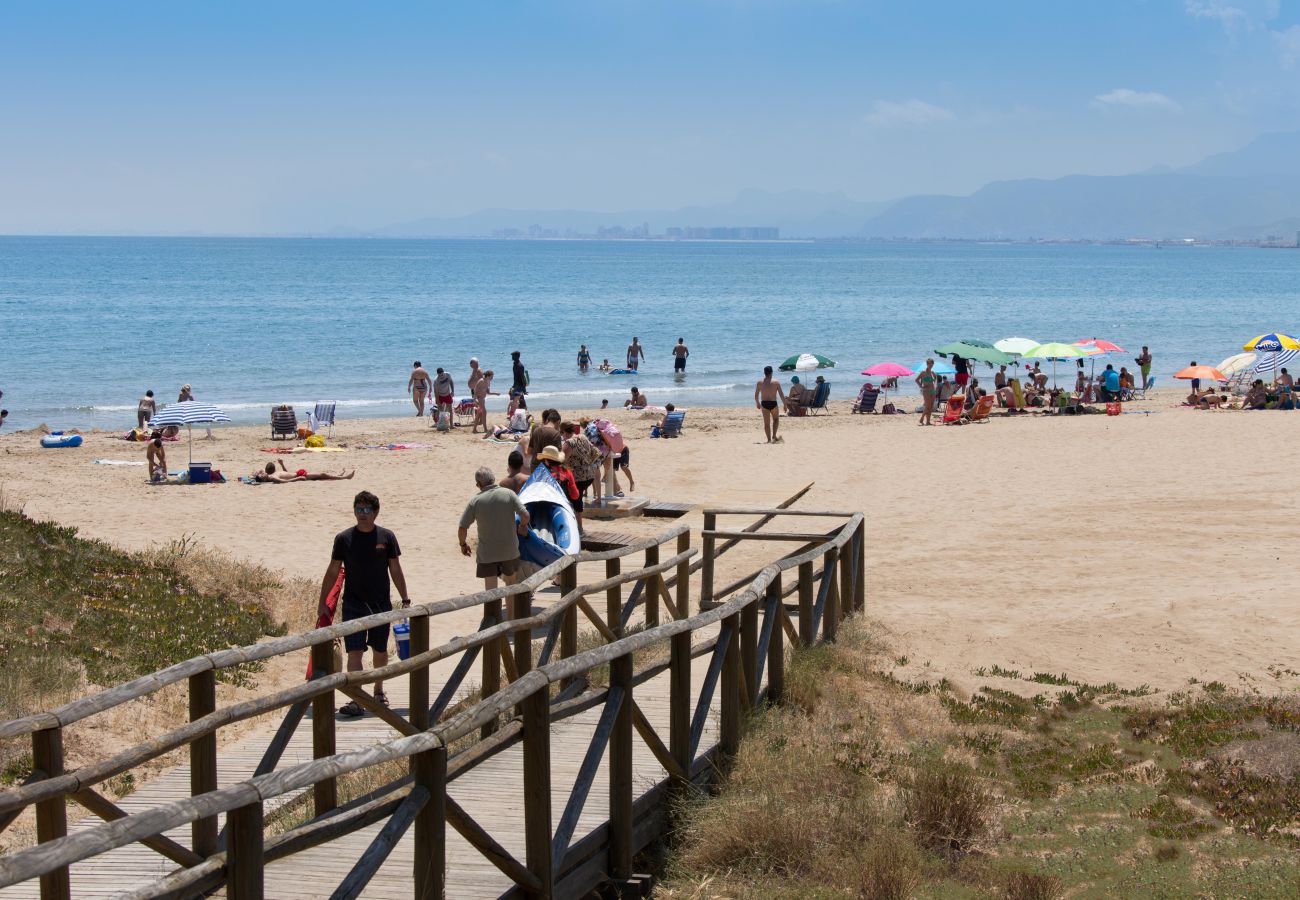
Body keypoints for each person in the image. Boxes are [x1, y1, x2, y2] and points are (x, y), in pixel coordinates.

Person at [321, 491, 410, 717]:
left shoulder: (386, 537)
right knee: (355, 652)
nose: (362, 514)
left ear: (376, 512)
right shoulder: (343, 539)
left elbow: (395, 569)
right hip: (353, 603)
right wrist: (323, 602)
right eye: (358, 509)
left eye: (366, 510)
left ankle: (379, 691)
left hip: (380, 603)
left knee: (380, 651)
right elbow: (332, 571)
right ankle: (357, 699)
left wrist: (405, 598)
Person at [458, 466, 530, 590]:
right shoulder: (508, 494)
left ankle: (493, 609)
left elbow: (462, 528)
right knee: (511, 586)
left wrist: (463, 544)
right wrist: (523, 526)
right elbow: (525, 515)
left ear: (478, 484)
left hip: (488, 553)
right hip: (509, 550)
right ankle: (511, 610)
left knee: (491, 590)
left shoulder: (475, 501)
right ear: (493, 479)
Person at [535, 445, 583, 528]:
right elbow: (575, 496)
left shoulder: (542, 473)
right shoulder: (567, 472)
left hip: (547, 508)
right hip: (564, 507)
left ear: (546, 460)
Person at [563, 420, 603, 503]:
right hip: (590, 476)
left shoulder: (569, 442)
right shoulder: (582, 437)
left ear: (563, 432)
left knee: (573, 502)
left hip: (578, 478)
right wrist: (587, 462)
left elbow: (562, 461)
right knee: (578, 500)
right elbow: (596, 452)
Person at [754, 365, 786, 443]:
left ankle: (768, 440)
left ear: (764, 373)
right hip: (773, 403)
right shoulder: (776, 382)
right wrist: (785, 405)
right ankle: (774, 435)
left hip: (764, 404)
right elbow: (781, 395)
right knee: (776, 419)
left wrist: (758, 403)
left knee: (766, 423)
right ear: (771, 372)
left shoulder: (759, 383)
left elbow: (756, 395)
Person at [254, 460, 356, 483]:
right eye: (262, 475)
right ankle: (345, 477)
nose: (262, 473)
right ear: (263, 478)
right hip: (300, 476)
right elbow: (284, 481)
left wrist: (282, 464)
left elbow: (286, 473)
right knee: (322, 475)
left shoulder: (271, 474)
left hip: (298, 473)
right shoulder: (272, 477)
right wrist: (298, 478)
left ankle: (338, 475)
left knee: (321, 475)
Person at [472, 369, 498, 434]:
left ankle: (474, 430)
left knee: (479, 414)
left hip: (483, 399)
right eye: (491, 376)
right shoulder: (481, 381)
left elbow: (488, 392)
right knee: (484, 412)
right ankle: (485, 429)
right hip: (478, 399)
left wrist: (495, 393)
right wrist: (475, 400)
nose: (492, 378)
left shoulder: (488, 382)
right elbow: (475, 391)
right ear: (487, 376)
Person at [915, 359, 938, 426]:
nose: (931, 365)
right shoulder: (923, 372)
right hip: (926, 390)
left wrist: (935, 389)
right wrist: (921, 386)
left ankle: (928, 421)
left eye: (932, 364)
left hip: (932, 391)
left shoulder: (933, 373)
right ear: (927, 364)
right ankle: (922, 418)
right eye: (929, 364)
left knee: (931, 407)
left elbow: (935, 383)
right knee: (927, 406)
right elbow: (916, 380)